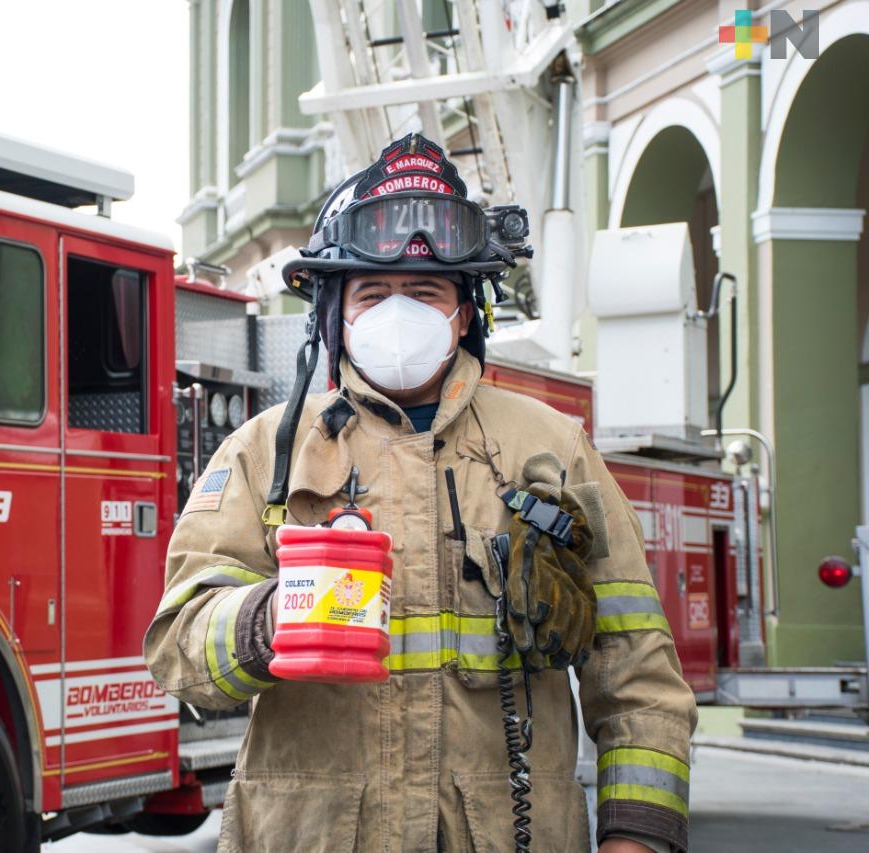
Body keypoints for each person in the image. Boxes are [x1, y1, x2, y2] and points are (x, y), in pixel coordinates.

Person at [145, 134, 697, 853]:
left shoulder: (552, 451)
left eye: (425, 291)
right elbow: (178, 650)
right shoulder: (263, 455)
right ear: (335, 314)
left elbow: (640, 678)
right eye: (372, 293)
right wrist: (272, 616)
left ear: (464, 312)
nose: (396, 312)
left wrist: (637, 840)